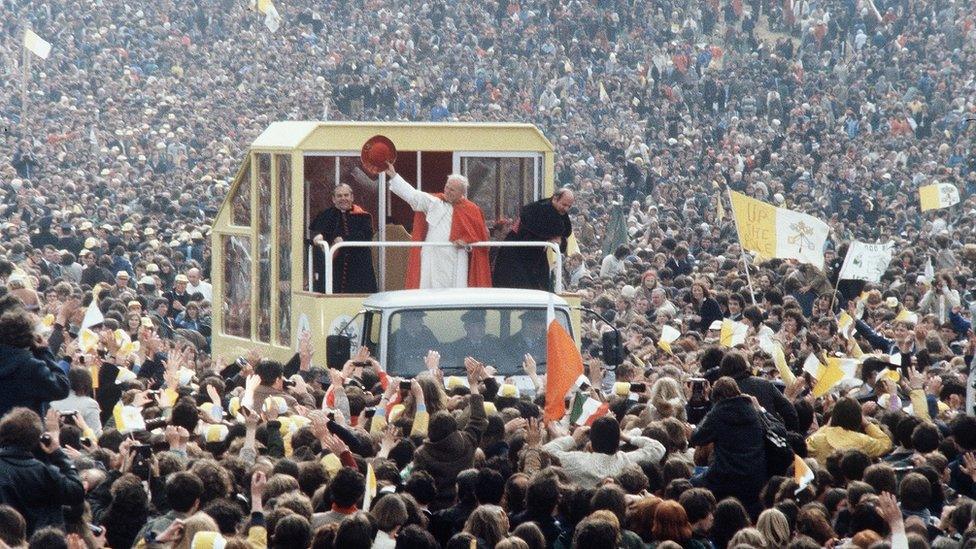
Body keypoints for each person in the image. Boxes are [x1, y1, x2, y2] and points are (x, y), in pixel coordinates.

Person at [384, 162, 491, 289]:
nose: (448, 191)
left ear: (462, 192)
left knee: (453, 293)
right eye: (447, 187)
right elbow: (412, 195)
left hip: (455, 258)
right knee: (427, 290)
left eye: (452, 189)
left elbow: (480, 243)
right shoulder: (434, 201)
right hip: (431, 256)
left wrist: (467, 245)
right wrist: (394, 175)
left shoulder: (472, 210)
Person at [0, 407, 85, 535]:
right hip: (41, 541)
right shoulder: (45, 472)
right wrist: (58, 452)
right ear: (37, 439)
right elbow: (76, 492)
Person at [688, 377, 766, 514]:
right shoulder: (753, 411)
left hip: (725, 474)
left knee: (692, 485)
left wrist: (711, 406)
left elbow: (697, 438)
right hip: (755, 475)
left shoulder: (719, 412)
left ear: (716, 397)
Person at [492, 189, 575, 291]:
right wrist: (548, 238)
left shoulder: (561, 214)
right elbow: (532, 231)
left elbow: (563, 237)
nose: (566, 209)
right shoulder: (536, 209)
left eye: (569, 206)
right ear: (555, 199)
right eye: (564, 205)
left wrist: (559, 241)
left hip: (536, 259)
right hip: (515, 257)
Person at [0, 306, 70, 419]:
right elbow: (61, 388)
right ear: (29, 337)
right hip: (23, 430)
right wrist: (43, 352)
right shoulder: (31, 367)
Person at [308, 184, 378, 294]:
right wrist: (318, 237)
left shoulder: (364, 217)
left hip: (358, 266)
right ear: (333, 199)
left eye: (346, 195)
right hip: (336, 268)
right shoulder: (325, 215)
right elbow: (317, 233)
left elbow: (367, 236)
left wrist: (344, 240)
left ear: (352, 197)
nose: (343, 198)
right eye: (339, 196)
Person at [388, 310, 440, 376]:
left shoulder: (427, 334)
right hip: (404, 374)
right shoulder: (396, 337)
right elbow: (392, 360)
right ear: (407, 320)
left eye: (420, 319)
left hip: (425, 374)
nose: (421, 322)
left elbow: (437, 351)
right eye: (418, 319)